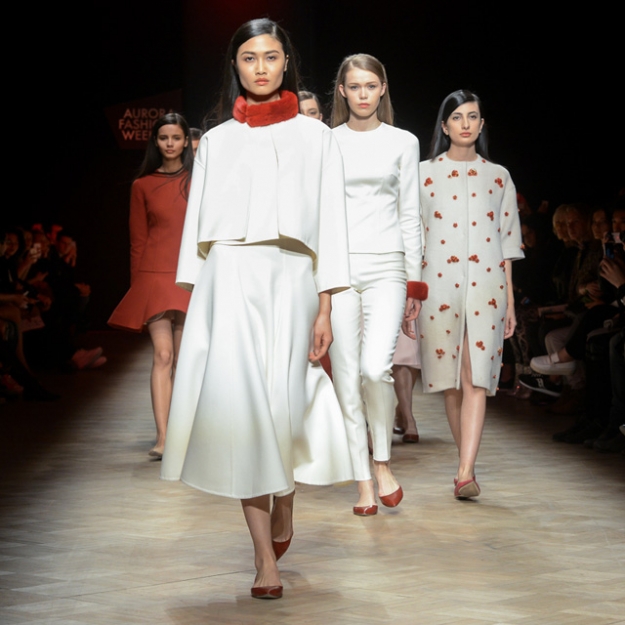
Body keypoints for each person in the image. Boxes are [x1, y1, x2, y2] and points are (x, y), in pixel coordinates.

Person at [160, 18, 353, 600]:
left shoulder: (317, 138)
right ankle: (263, 558)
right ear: (236, 66)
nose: (261, 67)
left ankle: (285, 494)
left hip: (293, 279)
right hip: (230, 279)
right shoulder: (217, 141)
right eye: (249, 57)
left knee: (285, 406)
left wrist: (325, 307)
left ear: (286, 62)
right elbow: (199, 232)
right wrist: (200, 306)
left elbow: (331, 224)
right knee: (244, 412)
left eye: (271, 56)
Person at [329, 54, 426, 516]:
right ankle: (364, 481)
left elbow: (411, 214)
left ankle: (383, 461)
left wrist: (415, 282)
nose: (363, 94)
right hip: (339, 271)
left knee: (374, 369)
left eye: (370, 85)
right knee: (346, 378)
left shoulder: (403, 142)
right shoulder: (328, 142)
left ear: (383, 88)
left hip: (388, 267)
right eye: (355, 86)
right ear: (342, 91)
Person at [415, 90, 523, 499]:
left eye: (472, 116)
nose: (465, 124)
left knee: (476, 376)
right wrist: (412, 292)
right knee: (451, 382)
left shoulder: (499, 176)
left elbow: (508, 242)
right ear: (444, 126)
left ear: (481, 124)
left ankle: (464, 471)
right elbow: (414, 237)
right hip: (436, 284)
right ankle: (466, 466)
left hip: (488, 283)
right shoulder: (423, 174)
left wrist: (510, 301)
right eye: (457, 117)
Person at [108, 113, 194, 458]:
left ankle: (184, 434)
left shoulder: (199, 182)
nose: (170, 144)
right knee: (163, 354)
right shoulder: (142, 185)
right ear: (155, 142)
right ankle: (163, 437)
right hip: (155, 276)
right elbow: (138, 241)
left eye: (176, 137)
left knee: (185, 360)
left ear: (185, 142)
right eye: (163, 138)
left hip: (189, 276)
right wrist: (138, 290)